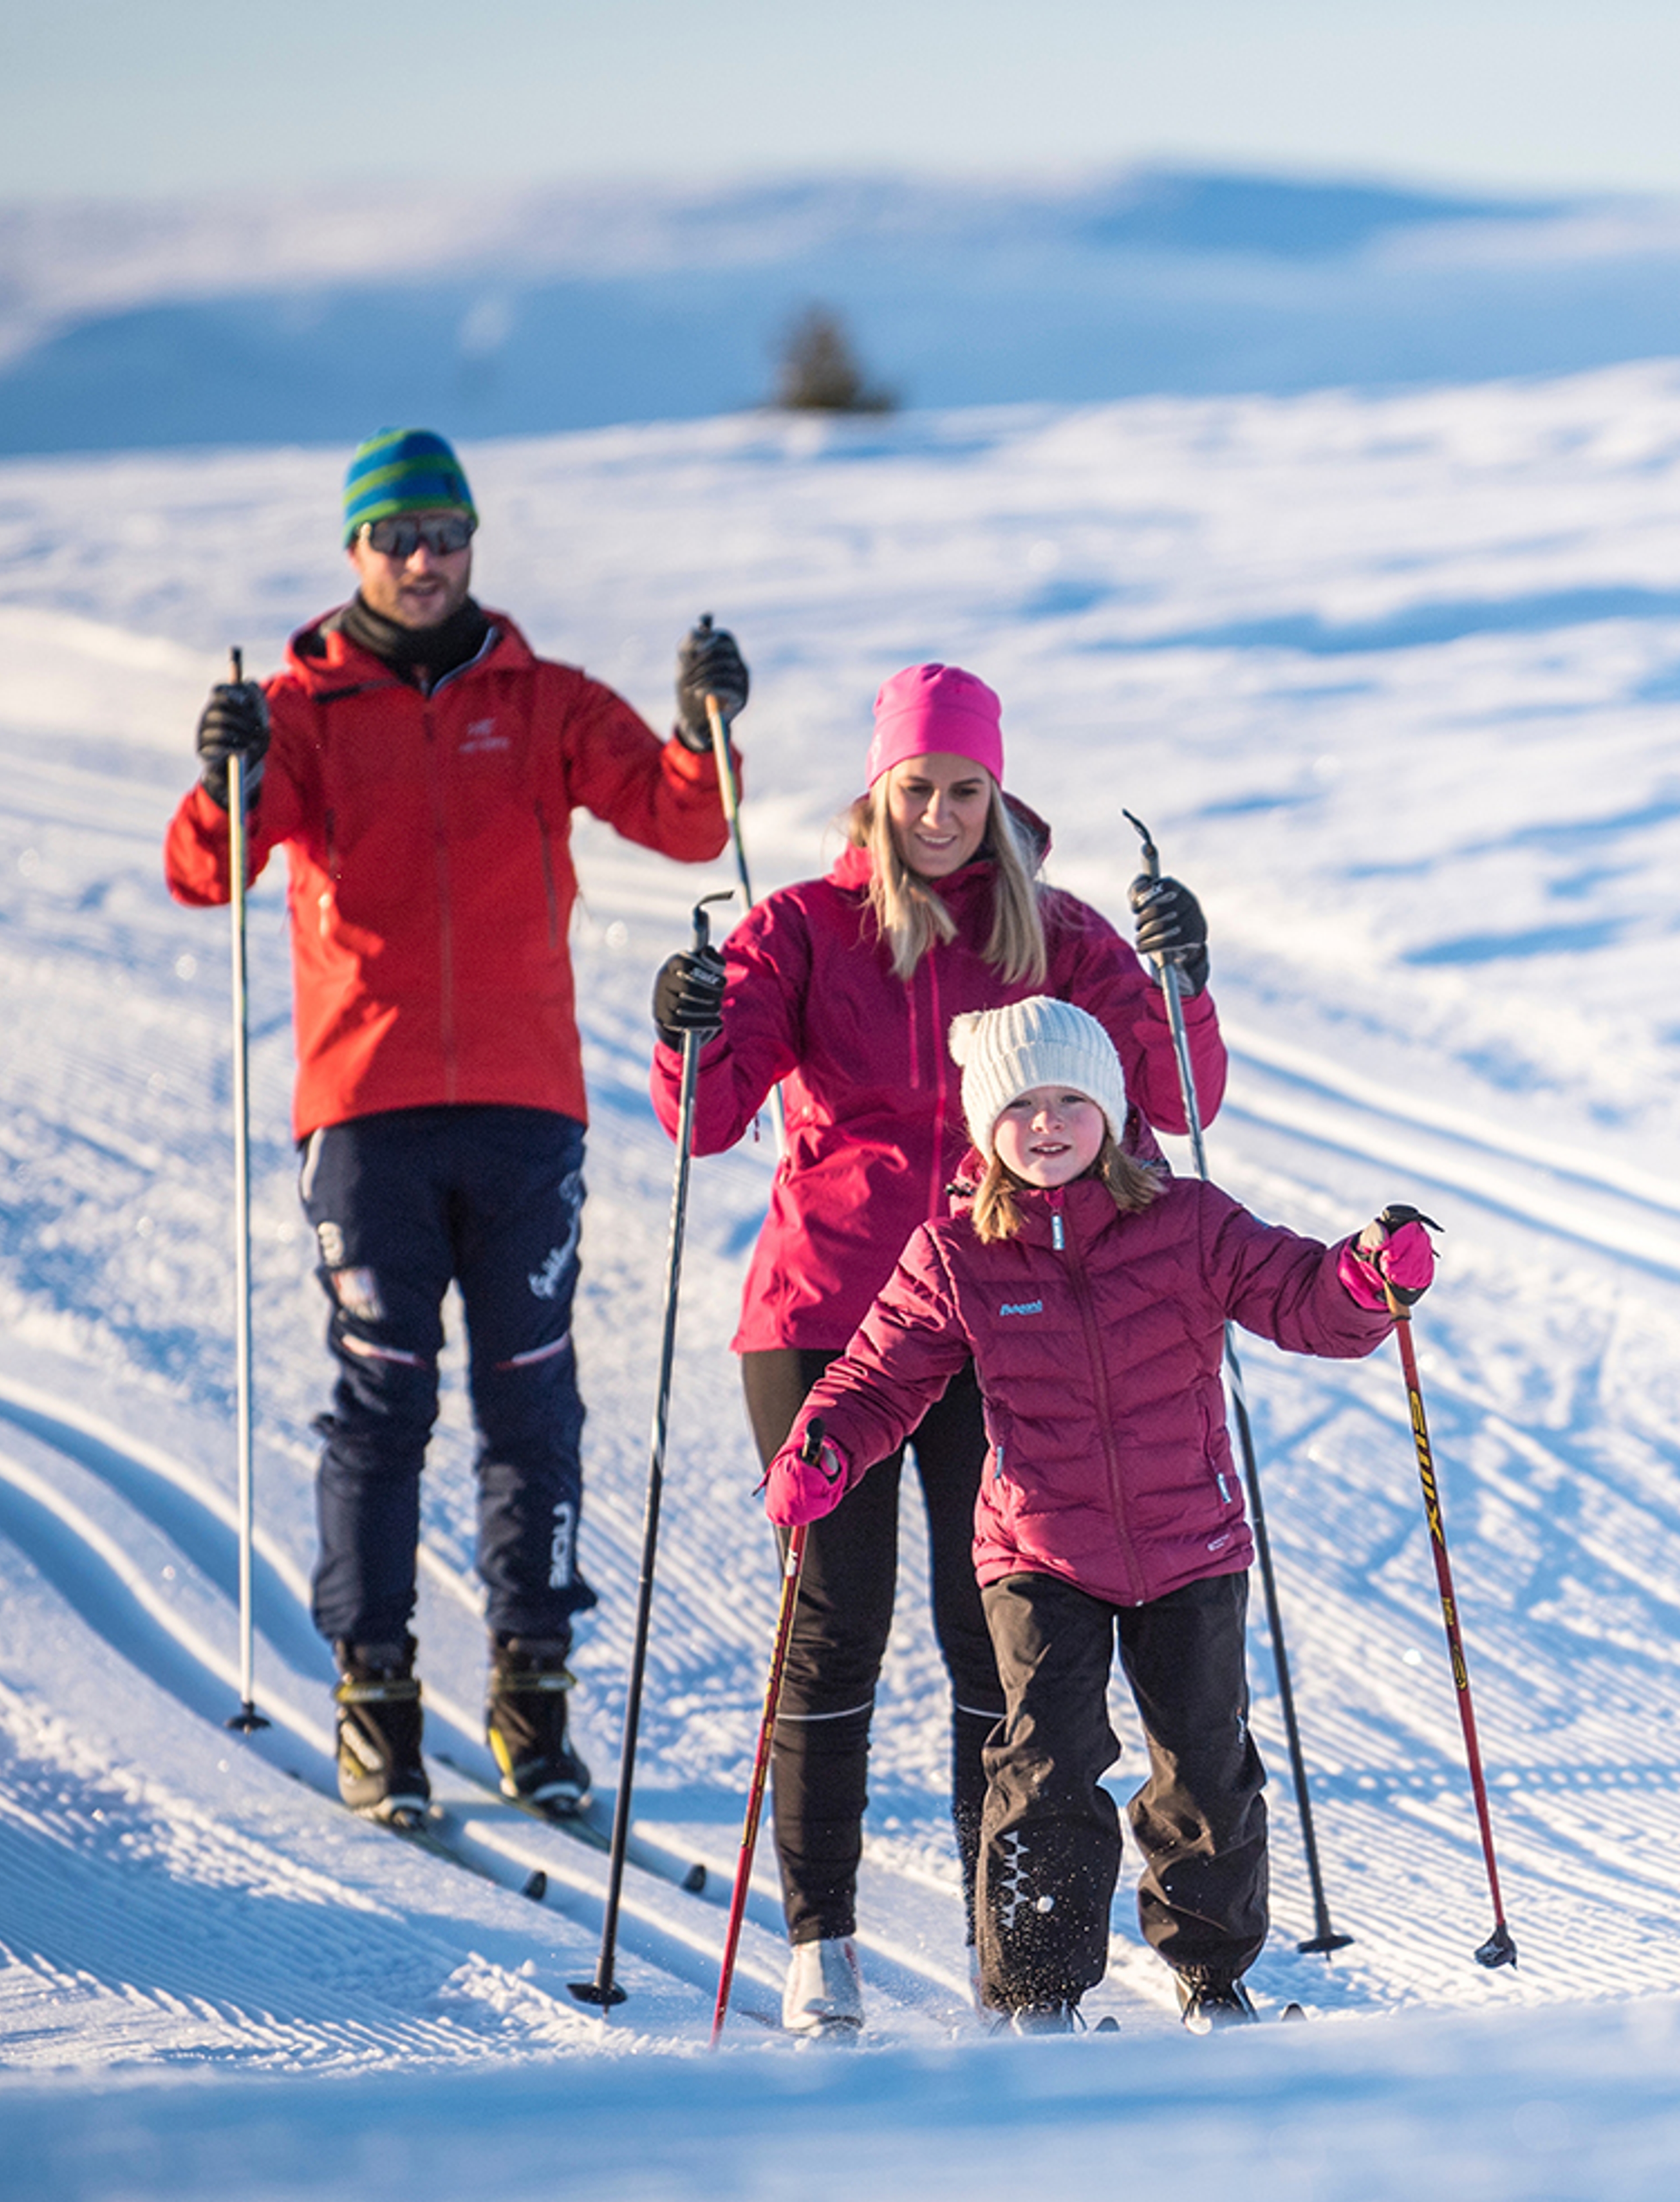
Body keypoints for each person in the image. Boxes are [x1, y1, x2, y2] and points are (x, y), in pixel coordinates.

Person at [164, 426, 749, 1824]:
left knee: (532, 1396)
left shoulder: (542, 699)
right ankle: (377, 1700)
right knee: (385, 1398)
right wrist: (224, 775)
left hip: (523, 1105)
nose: (423, 561)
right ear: (356, 551)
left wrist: (703, 726)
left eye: (445, 535)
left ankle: (531, 1696)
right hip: (365, 1114)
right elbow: (207, 872)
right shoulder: (303, 711)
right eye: (396, 538)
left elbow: (681, 823)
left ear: (474, 542)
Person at [649, 660, 1226, 2035]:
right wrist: (691, 1028)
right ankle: (820, 1938)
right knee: (835, 1629)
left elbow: (1177, 1097)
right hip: (824, 1319)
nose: (944, 814)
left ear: (998, 791)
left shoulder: (1067, 940)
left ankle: (1007, 1948)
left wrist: (1181, 977)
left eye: (968, 789)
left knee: (1003, 1649)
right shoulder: (803, 930)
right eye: (920, 788)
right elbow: (705, 1121)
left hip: (1004, 1314)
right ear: (879, 790)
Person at [764, 995, 1435, 2034]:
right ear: (986, 1126)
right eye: (1021, 1104)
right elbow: (879, 1373)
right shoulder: (957, 1252)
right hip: (1041, 1550)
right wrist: (826, 1444)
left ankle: (1213, 1981)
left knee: (1206, 1767)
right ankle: (1036, 1994)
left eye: (1072, 1098)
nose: (1047, 1123)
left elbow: (1303, 1297)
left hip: (1190, 1543)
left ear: (1113, 1112)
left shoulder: (1191, 1222)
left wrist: (1363, 1277)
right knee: (1045, 1767)